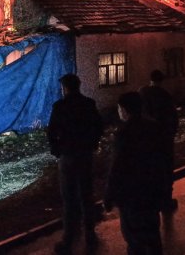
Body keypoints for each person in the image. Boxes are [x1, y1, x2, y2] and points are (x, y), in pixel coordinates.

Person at [48, 73, 104, 254]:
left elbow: (51, 131)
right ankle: (90, 234)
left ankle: (68, 238)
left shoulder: (60, 106)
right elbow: (98, 126)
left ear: (64, 88)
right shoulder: (88, 104)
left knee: (69, 198)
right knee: (86, 194)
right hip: (85, 155)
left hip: (68, 156)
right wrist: (93, 143)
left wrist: (57, 149)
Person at [105, 91, 164, 255]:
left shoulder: (123, 134)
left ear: (124, 110)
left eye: (119, 108)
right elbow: (162, 159)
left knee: (134, 239)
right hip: (152, 192)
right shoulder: (154, 127)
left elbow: (116, 167)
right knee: (153, 235)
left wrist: (109, 196)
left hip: (132, 196)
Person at [139, 69, 179, 214]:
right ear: (161, 80)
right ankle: (166, 201)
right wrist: (171, 134)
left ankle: (150, 200)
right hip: (163, 140)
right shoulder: (165, 96)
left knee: (149, 170)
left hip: (146, 140)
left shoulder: (142, 93)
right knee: (166, 171)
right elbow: (173, 118)